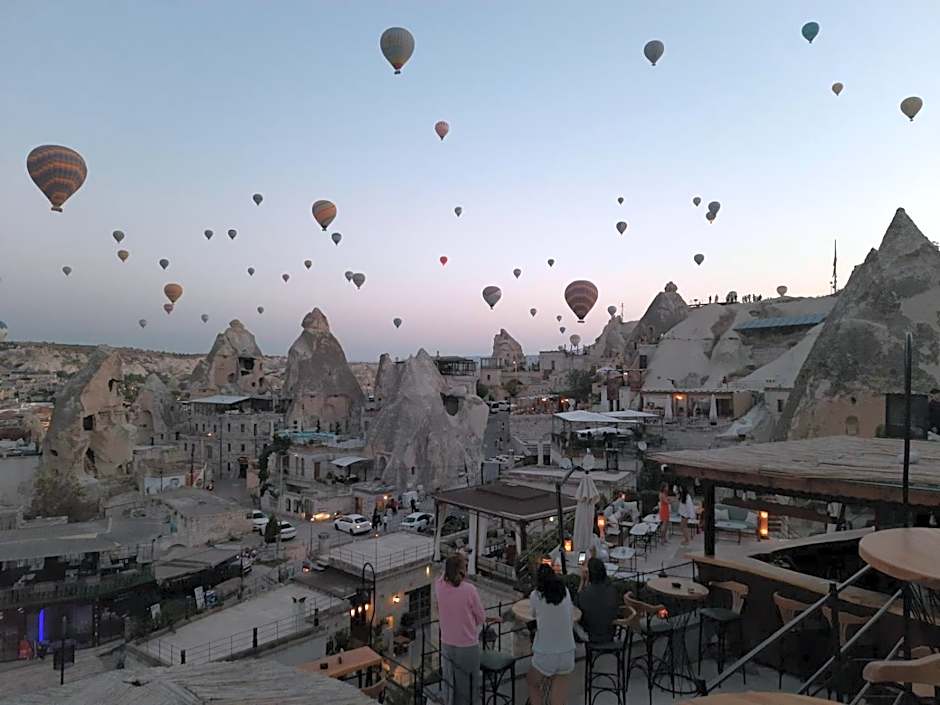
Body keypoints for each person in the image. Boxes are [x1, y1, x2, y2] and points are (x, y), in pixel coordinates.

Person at [435, 554, 485, 705]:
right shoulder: (469, 590)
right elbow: (481, 618)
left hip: (447, 643)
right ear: (463, 571)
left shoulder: (439, 586)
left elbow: (443, 576)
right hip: (467, 645)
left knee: (450, 685)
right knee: (468, 688)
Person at [527, 564, 576, 705]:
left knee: (532, 682)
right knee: (557, 701)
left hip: (546, 653)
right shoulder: (565, 591)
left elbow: (533, 615)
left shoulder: (536, 595)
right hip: (567, 652)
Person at [574, 558, 619, 644]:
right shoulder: (612, 590)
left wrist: (582, 581)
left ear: (589, 574)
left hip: (591, 636)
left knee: (572, 622)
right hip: (610, 634)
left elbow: (575, 608)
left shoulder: (584, 594)